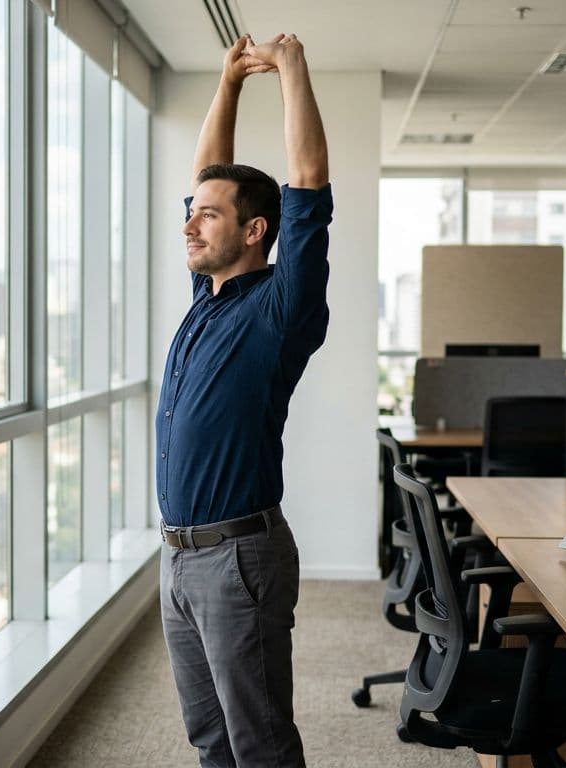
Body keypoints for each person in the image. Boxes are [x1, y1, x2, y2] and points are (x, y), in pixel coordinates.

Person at [156, 31, 330, 768]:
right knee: (210, 740)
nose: (191, 224)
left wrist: (291, 69)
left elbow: (309, 180)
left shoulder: (281, 308)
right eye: (191, 213)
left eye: (209, 217)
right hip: (178, 557)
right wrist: (227, 84)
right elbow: (208, 172)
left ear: (256, 232)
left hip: (238, 558)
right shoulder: (210, 296)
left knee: (258, 743)